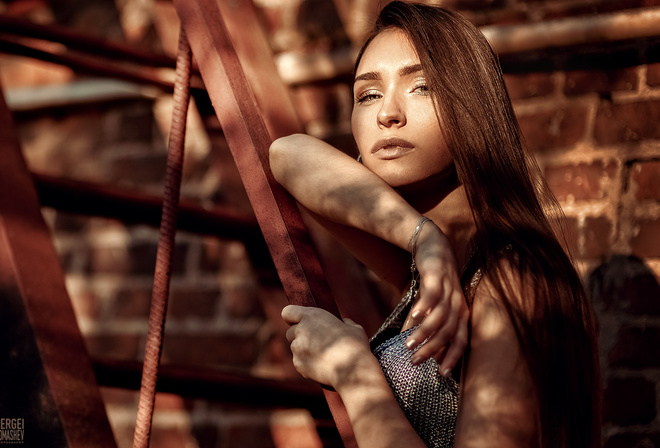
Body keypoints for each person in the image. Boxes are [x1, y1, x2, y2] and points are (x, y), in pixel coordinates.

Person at [269, 2, 601, 447]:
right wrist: (423, 238)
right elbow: (286, 155)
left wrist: (357, 376)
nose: (388, 113)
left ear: (472, 111)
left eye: (421, 87)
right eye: (368, 95)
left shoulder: (513, 278)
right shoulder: (436, 264)